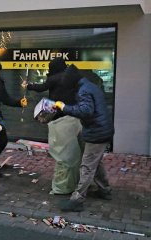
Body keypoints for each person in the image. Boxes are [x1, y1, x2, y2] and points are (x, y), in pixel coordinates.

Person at [54, 64, 114, 212]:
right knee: (96, 162)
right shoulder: (89, 85)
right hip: (102, 130)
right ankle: (105, 190)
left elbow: (86, 111)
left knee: (87, 166)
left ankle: (77, 200)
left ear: (71, 81)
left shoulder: (84, 90)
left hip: (97, 132)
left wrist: (63, 107)